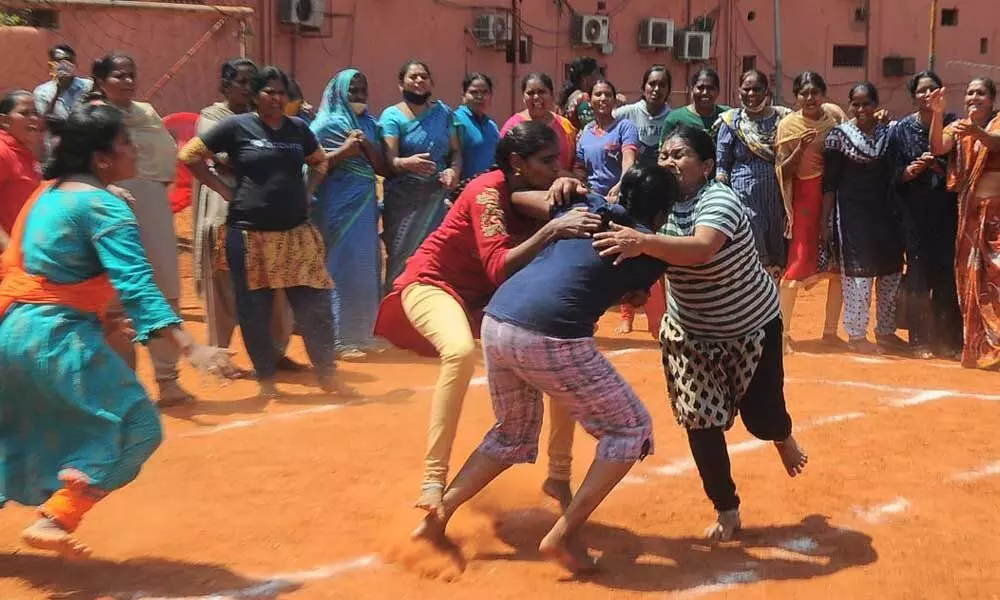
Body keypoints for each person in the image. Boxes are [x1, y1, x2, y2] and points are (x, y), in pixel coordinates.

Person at [412, 164, 678, 575]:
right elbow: (641, 291)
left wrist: (564, 190)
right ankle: (565, 533)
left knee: (512, 432)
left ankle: (438, 516)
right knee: (631, 429)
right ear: (662, 214)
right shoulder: (647, 251)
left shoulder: (585, 205)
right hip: (550, 335)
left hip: (498, 321)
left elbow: (519, 198)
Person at [0, 104, 238, 559]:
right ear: (102, 159)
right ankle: (58, 517)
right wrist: (192, 348)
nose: (136, 151)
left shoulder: (49, 192)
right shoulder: (103, 205)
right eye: (127, 143)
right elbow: (138, 284)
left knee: (15, 431)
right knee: (138, 426)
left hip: (12, 331)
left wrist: (103, 315)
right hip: (55, 338)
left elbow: (50, 268)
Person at [374, 121, 602, 516]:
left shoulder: (540, 188)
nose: (555, 170)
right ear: (517, 163)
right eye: (547, 162)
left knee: (561, 353)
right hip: (433, 284)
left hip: (489, 302)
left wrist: (574, 192)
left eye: (558, 162)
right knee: (460, 353)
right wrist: (552, 228)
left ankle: (559, 474)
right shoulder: (486, 194)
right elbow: (498, 267)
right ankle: (433, 479)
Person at [593, 124, 808, 543]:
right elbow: (633, 248)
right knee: (700, 422)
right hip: (690, 334)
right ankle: (726, 508)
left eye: (680, 155)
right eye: (666, 155)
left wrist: (643, 240)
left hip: (751, 326)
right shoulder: (657, 205)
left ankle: (781, 436)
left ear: (707, 165)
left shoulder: (720, 200)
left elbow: (701, 248)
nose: (670, 162)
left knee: (762, 421)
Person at [180, 65, 353, 397]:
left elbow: (319, 161)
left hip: (295, 232)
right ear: (255, 95)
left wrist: (307, 190)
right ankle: (267, 380)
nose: (275, 98)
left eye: (281, 92)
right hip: (249, 234)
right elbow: (190, 155)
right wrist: (222, 188)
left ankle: (328, 375)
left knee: (313, 303)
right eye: (268, 91)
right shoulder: (236, 127)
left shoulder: (298, 129)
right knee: (253, 308)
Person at [85, 52, 193, 405]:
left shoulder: (146, 112)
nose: (128, 81)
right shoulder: (90, 118)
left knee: (163, 287)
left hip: (153, 202)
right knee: (114, 293)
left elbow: (165, 158)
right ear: (101, 81)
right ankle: (120, 388)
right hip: (108, 203)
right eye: (119, 76)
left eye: (132, 74)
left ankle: (168, 379)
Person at [192, 59, 301, 371]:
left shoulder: (267, 121)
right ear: (225, 86)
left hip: (268, 216)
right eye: (240, 81)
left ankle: (275, 351)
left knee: (274, 284)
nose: (247, 87)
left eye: (252, 82)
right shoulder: (212, 118)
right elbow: (222, 160)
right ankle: (219, 355)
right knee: (225, 287)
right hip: (225, 212)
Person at [822, 83, 905, 354]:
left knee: (891, 270)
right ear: (850, 106)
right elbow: (830, 184)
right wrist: (825, 221)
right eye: (856, 104)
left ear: (876, 104)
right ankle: (857, 335)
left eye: (866, 103)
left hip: (886, 213)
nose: (861, 109)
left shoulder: (889, 133)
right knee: (858, 274)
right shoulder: (839, 137)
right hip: (853, 215)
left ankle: (886, 331)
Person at [886, 70, 963, 359]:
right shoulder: (901, 129)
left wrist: (939, 169)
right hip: (914, 212)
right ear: (913, 96)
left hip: (947, 210)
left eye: (932, 90)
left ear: (941, 93)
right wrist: (909, 171)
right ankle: (920, 339)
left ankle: (948, 339)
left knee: (946, 274)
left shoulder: (955, 124)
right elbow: (890, 172)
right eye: (921, 91)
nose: (927, 95)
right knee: (918, 274)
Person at [311, 68, 386, 359]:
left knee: (366, 269)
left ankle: (362, 333)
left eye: (363, 89)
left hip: (365, 207)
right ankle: (338, 339)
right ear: (340, 92)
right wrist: (345, 150)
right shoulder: (325, 125)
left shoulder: (369, 124)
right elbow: (311, 166)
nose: (359, 95)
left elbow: (380, 165)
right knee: (340, 269)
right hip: (337, 208)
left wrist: (365, 145)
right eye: (353, 90)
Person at [928, 77, 1000, 370]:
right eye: (969, 93)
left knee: (996, 280)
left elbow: (996, 143)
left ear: (992, 100)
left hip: (996, 217)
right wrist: (937, 113)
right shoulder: (957, 127)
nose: (974, 98)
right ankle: (981, 349)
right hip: (970, 217)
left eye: (980, 93)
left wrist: (978, 132)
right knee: (971, 283)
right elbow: (937, 147)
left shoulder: (995, 126)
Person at [774, 71, 847, 353]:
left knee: (837, 265)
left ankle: (830, 332)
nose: (809, 98)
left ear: (823, 93)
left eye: (814, 92)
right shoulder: (789, 126)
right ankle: (783, 334)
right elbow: (783, 170)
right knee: (798, 262)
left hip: (833, 196)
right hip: (804, 197)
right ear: (796, 97)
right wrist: (800, 150)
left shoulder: (834, 118)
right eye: (804, 93)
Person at [379, 60, 461, 290]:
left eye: (423, 76)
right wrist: (407, 163)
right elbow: (390, 161)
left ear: (431, 83)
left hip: (436, 200)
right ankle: (394, 311)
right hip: (404, 201)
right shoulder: (392, 116)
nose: (418, 81)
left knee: (434, 257)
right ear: (400, 83)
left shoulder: (443, 113)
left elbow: (456, 152)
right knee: (400, 257)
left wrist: (452, 171)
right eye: (413, 77)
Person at [716, 70, 791, 282]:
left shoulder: (783, 119)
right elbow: (722, 164)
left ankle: (773, 303)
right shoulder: (731, 122)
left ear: (766, 91)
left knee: (777, 246)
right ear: (738, 90)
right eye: (746, 89)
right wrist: (724, 195)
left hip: (777, 197)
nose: (751, 93)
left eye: (757, 89)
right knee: (751, 239)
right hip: (744, 197)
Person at [573, 80, 638, 201]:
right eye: (598, 94)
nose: (603, 98)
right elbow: (579, 168)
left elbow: (629, 160)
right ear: (590, 101)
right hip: (591, 198)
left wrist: (621, 185)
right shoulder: (585, 133)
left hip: (619, 197)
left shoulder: (625, 127)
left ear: (614, 101)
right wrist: (584, 187)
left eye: (608, 95)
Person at [500, 73, 577, 173]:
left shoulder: (565, 125)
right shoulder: (512, 126)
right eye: (530, 93)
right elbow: (503, 163)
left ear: (552, 95)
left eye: (542, 92)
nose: (536, 97)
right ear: (523, 97)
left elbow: (575, 161)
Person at [32, 43, 93, 158]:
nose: (64, 65)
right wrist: (59, 91)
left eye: (68, 61)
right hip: (57, 152)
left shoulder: (88, 86)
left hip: (87, 149)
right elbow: (42, 124)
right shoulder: (42, 92)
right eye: (59, 61)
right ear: (51, 65)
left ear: (75, 64)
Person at [0, 90, 43, 253]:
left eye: (36, 113)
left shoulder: (24, 152)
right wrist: (9, 248)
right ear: (4, 121)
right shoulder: (3, 151)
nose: (34, 119)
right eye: (25, 113)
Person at [614, 65, 672, 168]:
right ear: (643, 87)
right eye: (652, 84)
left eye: (662, 85)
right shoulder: (626, 113)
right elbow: (601, 124)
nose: (656, 89)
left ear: (668, 90)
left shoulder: (673, 118)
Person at [659, 68, 730, 140]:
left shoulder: (728, 116)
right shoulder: (674, 119)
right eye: (700, 88)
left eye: (710, 88)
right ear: (692, 90)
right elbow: (664, 149)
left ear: (718, 91)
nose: (705, 92)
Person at [454, 72, 501, 180]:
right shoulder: (456, 121)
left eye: (485, 92)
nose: (479, 97)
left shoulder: (491, 126)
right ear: (463, 95)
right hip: (462, 191)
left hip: (486, 191)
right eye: (474, 92)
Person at [558, 56, 604, 131]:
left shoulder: (572, 96)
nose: (600, 78)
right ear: (584, 79)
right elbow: (593, 130)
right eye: (597, 74)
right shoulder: (583, 100)